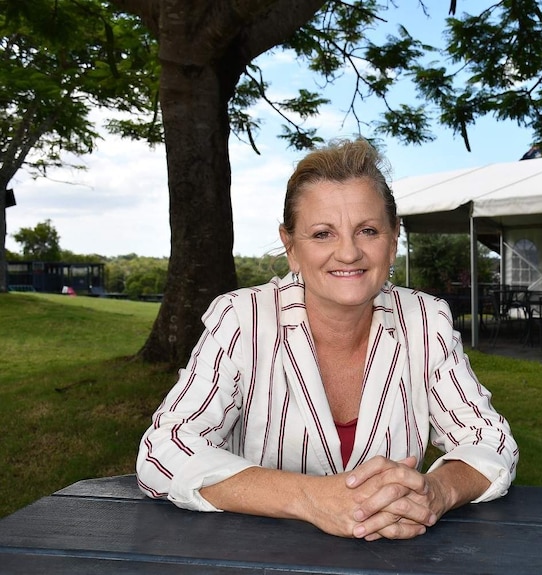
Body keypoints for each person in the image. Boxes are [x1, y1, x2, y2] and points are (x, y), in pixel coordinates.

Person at [136, 138, 518, 541]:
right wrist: (311, 497)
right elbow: (164, 449)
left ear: (392, 240)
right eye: (322, 234)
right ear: (291, 247)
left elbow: (490, 440)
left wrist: (435, 492)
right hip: (258, 558)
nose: (349, 253)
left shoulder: (426, 320)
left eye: (367, 230)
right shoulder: (243, 319)